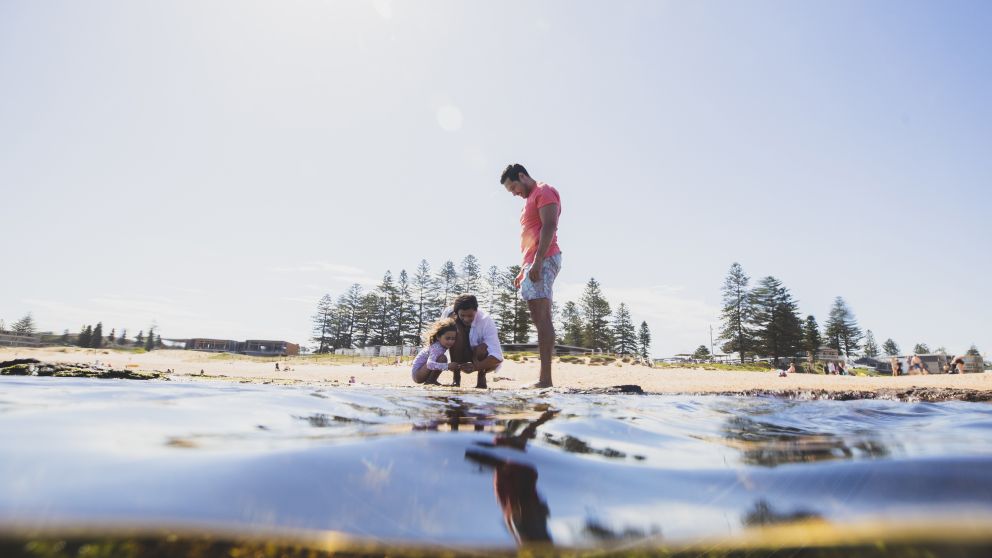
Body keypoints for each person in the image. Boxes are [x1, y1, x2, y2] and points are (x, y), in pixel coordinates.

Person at [501, 163, 562, 388]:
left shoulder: (543, 191)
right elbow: (530, 237)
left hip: (544, 258)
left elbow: (549, 226)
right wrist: (524, 268)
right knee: (538, 319)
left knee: (543, 318)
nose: (515, 193)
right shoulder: (529, 199)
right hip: (534, 261)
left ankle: (545, 380)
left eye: (514, 187)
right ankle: (544, 379)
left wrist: (537, 262)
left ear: (522, 176)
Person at [440, 294, 504, 388]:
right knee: (453, 331)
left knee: (482, 347)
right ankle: (456, 378)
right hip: (457, 358)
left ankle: (481, 378)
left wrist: (476, 367)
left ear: (476, 310)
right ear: (456, 312)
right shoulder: (448, 315)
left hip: (478, 359)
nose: (466, 319)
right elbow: (438, 341)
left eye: (470, 315)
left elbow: (497, 357)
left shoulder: (486, 320)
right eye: (462, 315)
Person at [411, 318, 460, 385]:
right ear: (438, 337)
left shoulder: (442, 345)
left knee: (442, 359)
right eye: (447, 338)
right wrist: (447, 366)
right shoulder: (436, 347)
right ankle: (430, 381)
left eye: (453, 339)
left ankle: (431, 380)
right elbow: (430, 364)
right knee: (442, 358)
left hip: (422, 371)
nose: (451, 341)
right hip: (417, 374)